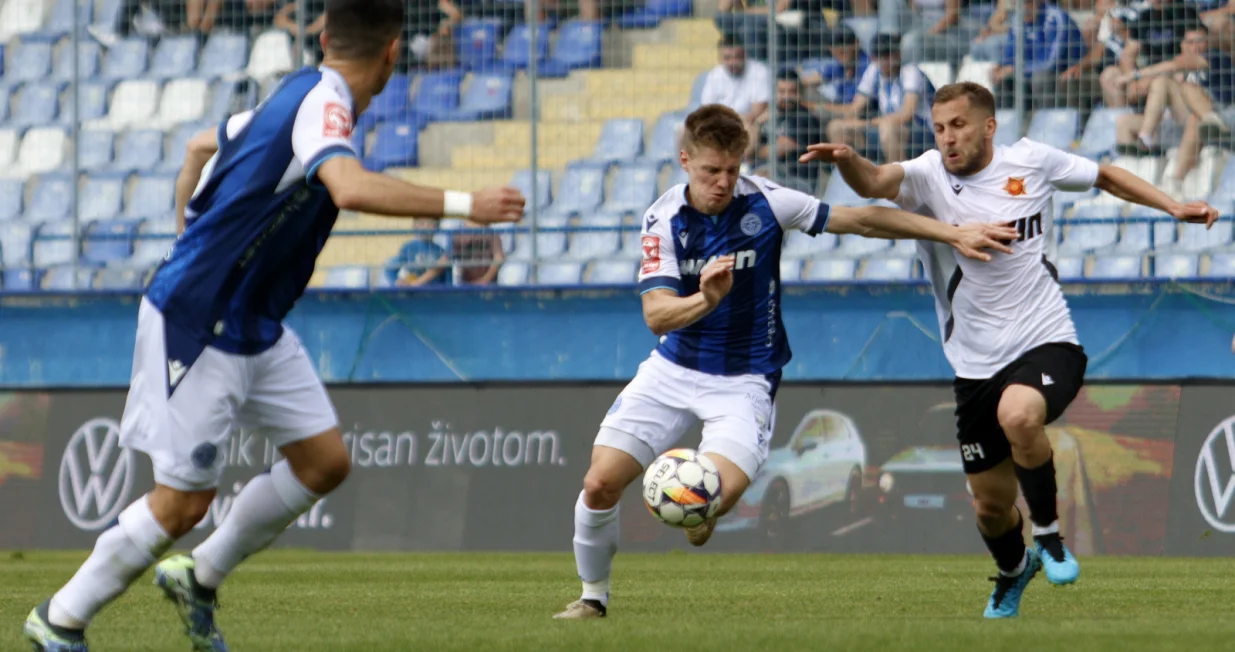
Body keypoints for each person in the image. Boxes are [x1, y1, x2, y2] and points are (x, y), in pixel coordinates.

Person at [23, 1, 525, 651]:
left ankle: (200, 579)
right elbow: (345, 186)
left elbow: (199, 146)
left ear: (321, 35)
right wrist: (468, 205)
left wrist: (189, 226)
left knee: (322, 462)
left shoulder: (293, 93)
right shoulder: (325, 99)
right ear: (394, 53)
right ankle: (60, 620)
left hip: (253, 322)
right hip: (198, 325)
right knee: (181, 505)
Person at [552, 103, 1020, 621]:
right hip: (673, 369)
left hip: (746, 378)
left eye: (732, 170)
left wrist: (952, 233)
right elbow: (657, 316)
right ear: (685, 161)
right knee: (598, 484)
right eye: (711, 171)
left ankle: (699, 517)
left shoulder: (768, 202)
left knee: (713, 499)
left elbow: (861, 219)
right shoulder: (663, 219)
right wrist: (706, 300)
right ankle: (593, 598)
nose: (724, 182)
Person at [800, 81, 1219, 619]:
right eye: (940, 128)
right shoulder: (929, 172)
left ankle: (1049, 535)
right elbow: (877, 183)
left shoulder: (1032, 161)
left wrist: (1172, 205)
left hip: (1047, 339)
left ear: (988, 126)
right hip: (974, 365)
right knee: (990, 508)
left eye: (958, 126)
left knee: (1019, 415)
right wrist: (849, 160)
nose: (948, 138)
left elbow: (1107, 175)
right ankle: (1015, 568)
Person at [825, 33, 935, 164]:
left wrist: (868, 123)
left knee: (888, 128)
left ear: (898, 54)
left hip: (921, 132)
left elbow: (906, 114)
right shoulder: (874, 70)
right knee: (836, 127)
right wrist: (820, 107)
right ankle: (850, 179)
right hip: (886, 128)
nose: (884, 61)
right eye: (879, 56)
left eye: (888, 55)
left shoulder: (910, 71)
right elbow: (855, 108)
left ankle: (897, 181)